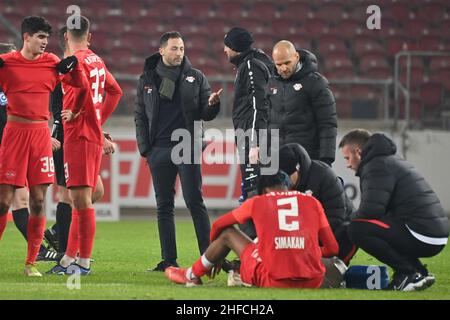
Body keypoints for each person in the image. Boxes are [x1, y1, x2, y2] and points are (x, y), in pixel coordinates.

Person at [0, 16, 87, 276]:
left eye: (47, 38)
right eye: (40, 37)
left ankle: (30, 263)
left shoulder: (52, 63)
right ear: (26, 37)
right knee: (4, 202)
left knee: (38, 200)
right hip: (14, 133)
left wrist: (75, 70)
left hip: (40, 135)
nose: (45, 43)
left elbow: (80, 87)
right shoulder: (6, 64)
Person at [135, 31, 221, 272]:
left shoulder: (196, 76)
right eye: (174, 48)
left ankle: (209, 258)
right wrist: (146, 150)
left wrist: (213, 104)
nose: (179, 53)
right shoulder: (147, 79)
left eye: (182, 48)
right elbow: (140, 115)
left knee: (195, 201)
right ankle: (168, 260)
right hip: (159, 149)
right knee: (164, 205)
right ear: (161, 50)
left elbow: (206, 111)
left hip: (187, 146)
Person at [165, 171, 339, 288]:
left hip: (273, 280)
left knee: (228, 234)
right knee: (261, 245)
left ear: (263, 191)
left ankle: (192, 275)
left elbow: (220, 225)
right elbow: (332, 249)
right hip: (313, 280)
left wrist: (215, 255)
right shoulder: (312, 202)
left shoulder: (258, 202)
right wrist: (302, 249)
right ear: (289, 188)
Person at [47, 16, 122, 275]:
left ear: (66, 36)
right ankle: (69, 258)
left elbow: (85, 93)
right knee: (85, 197)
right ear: (89, 36)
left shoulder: (76, 63)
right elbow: (115, 91)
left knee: (80, 201)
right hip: (89, 136)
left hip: (78, 137)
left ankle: (83, 263)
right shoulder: (96, 60)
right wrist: (97, 122)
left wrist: (80, 115)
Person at [339, 129, 449, 291]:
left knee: (356, 228)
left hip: (422, 232)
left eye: (347, 158)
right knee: (375, 226)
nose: (348, 164)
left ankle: (407, 273)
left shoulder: (376, 165)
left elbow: (371, 210)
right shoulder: (388, 160)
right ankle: (418, 272)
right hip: (432, 233)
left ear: (358, 152)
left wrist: (347, 221)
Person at [0, 42, 58, 262]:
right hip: (9, 147)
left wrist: (40, 134)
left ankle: (38, 252)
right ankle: (40, 250)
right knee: (15, 201)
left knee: (23, 200)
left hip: (17, 146)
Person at [223, 27, 273, 238]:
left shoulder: (251, 65)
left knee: (253, 194)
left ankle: (255, 248)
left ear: (235, 47)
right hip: (252, 137)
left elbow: (257, 105)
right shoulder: (253, 62)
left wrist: (254, 142)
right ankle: (260, 246)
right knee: (255, 192)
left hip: (252, 139)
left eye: (227, 45)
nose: (224, 49)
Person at [279, 143, 356, 264]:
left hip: (334, 231)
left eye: (286, 177)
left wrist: (305, 240)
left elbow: (336, 217)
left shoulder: (325, 176)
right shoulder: (278, 186)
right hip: (307, 235)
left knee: (346, 232)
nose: (283, 182)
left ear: (297, 169)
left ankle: (338, 265)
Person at [269, 40, 337, 166]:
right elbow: (266, 122)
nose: (283, 68)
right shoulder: (270, 84)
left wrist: (326, 159)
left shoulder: (316, 83)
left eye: (287, 63)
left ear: (296, 57)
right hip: (277, 159)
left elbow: (328, 123)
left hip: (307, 158)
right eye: (279, 64)